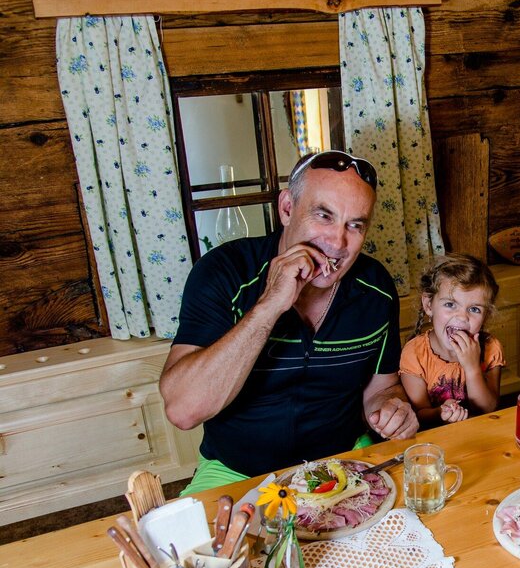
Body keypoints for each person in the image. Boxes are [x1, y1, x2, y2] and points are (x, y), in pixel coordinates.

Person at [160, 150, 419, 495]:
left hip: (343, 462)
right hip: (236, 471)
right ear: (286, 208)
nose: (338, 243)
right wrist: (269, 306)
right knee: (192, 547)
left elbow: (382, 387)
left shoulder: (376, 288)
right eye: (323, 216)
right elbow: (183, 410)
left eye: (354, 225)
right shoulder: (223, 273)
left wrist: (391, 408)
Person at [400, 253, 504, 426]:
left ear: (486, 316)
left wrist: (472, 368)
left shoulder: (491, 348)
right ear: (428, 305)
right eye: (450, 304)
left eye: (475, 309)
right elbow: (419, 416)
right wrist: (441, 412)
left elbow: (488, 409)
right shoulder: (414, 354)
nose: (462, 317)